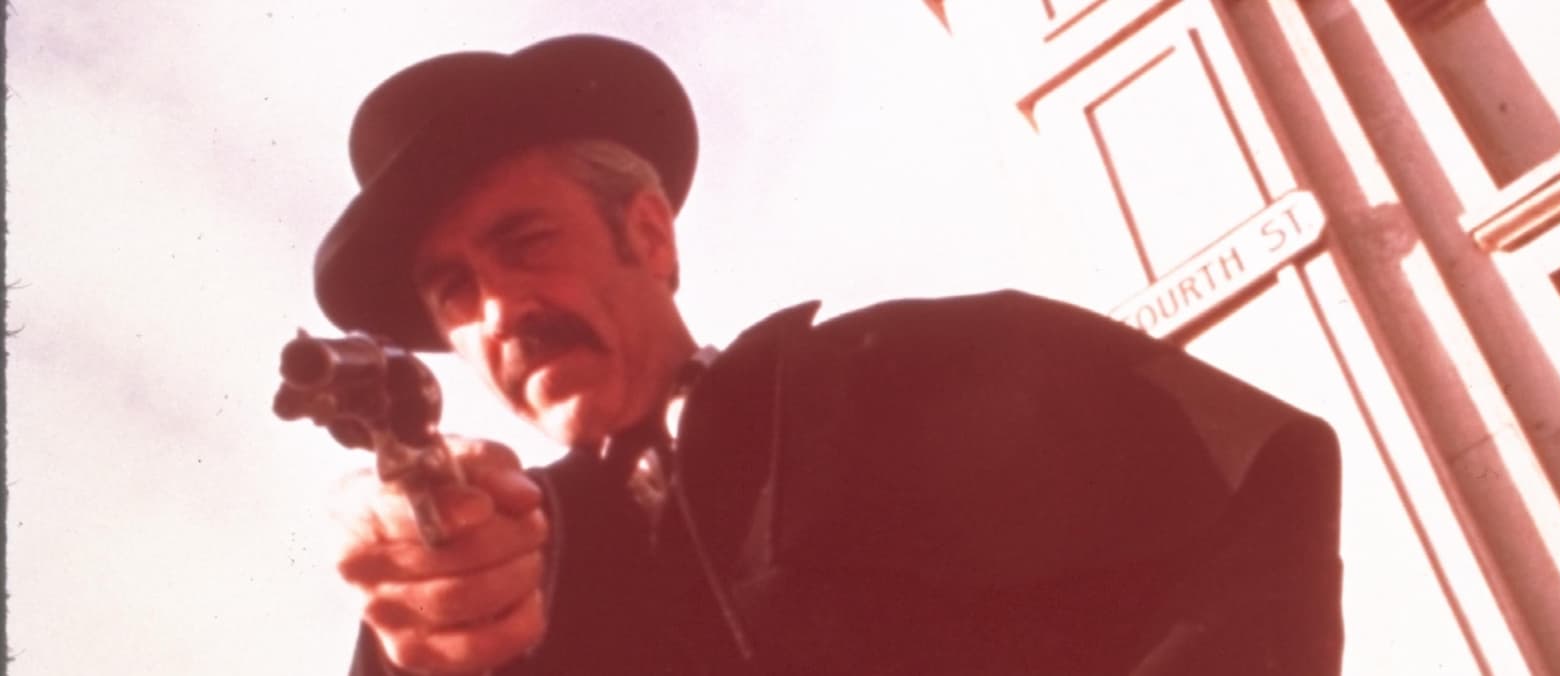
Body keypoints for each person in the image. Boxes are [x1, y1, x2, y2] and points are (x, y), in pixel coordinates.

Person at [311, 34, 1344, 675]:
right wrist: (410, 647)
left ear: (650, 234)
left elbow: (1252, 498)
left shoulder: (903, 367)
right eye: (454, 293)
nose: (501, 309)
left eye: (527, 241)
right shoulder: (512, 557)